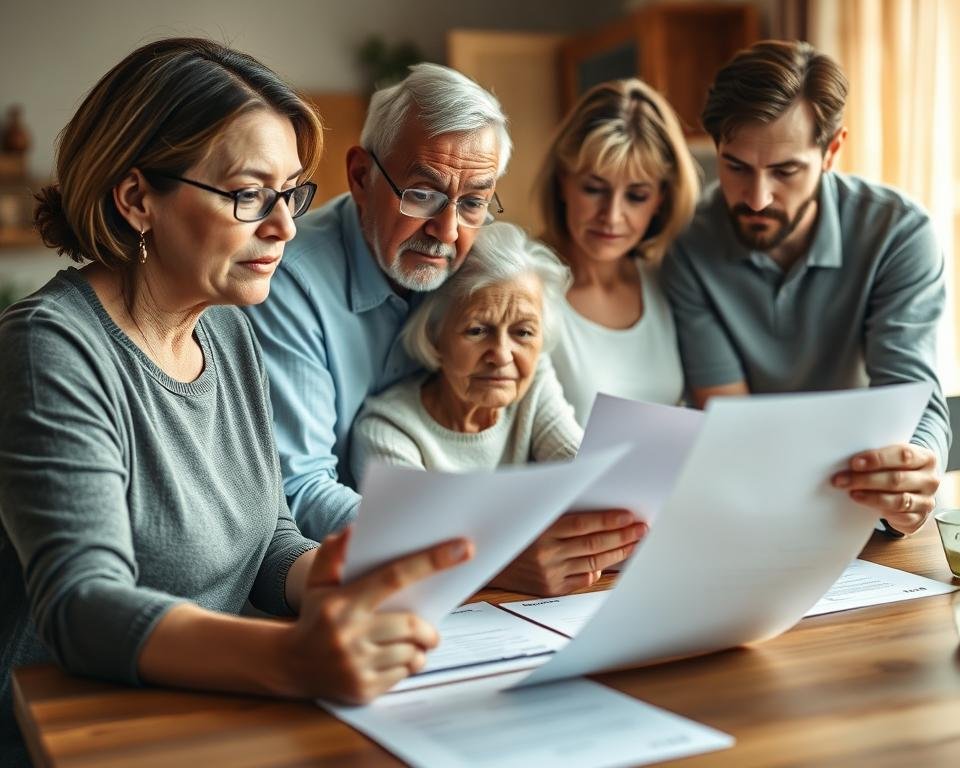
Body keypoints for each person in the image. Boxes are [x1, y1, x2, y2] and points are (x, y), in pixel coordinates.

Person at [0, 38, 472, 765]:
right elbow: (82, 606)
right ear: (136, 200)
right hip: (77, 737)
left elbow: (268, 541)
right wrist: (292, 660)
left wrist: (344, 575)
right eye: (249, 194)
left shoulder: (225, 326)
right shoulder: (50, 349)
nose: (283, 225)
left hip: (204, 721)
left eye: (289, 194)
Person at [244, 64, 643, 582]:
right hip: (333, 584)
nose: (448, 230)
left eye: (474, 201)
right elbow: (301, 493)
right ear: (362, 177)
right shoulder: (291, 284)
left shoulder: (477, 264)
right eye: (422, 194)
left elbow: (541, 400)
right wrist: (485, 553)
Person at [661, 40, 950, 536]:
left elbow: (912, 397)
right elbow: (733, 422)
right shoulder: (687, 242)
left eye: (785, 171)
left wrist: (912, 470)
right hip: (749, 507)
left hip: (861, 510)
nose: (756, 198)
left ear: (831, 150)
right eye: (736, 167)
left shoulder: (899, 233)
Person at [351, 222, 645, 596]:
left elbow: (587, 476)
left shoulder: (533, 385)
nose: (502, 356)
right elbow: (412, 553)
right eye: (477, 331)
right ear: (436, 337)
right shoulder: (388, 430)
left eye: (523, 333)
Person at [537, 78, 700, 425]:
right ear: (563, 181)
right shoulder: (525, 288)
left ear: (661, 199)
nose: (611, 216)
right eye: (594, 189)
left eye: (636, 196)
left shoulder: (670, 283)